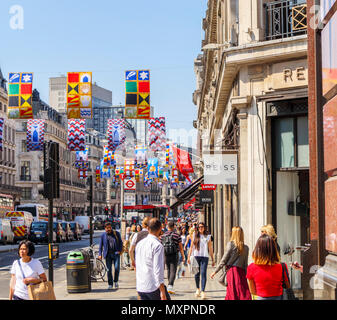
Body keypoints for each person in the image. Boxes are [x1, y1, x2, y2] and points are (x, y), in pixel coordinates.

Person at [210, 226, 251, 300]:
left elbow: (223, 260)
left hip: (232, 272)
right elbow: (245, 264)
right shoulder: (246, 248)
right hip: (241, 273)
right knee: (243, 293)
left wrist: (215, 271)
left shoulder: (230, 245)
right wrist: (246, 277)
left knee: (232, 294)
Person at [246, 234, 290, 300]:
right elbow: (287, 285)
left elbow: (253, 291)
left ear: (258, 250)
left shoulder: (251, 267)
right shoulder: (282, 266)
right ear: (274, 249)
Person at [136, 218, 170, 300]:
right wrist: (162, 291)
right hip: (153, 286)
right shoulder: (157, 245)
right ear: (160, 229)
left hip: (141, 286)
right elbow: (158, 270)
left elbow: (138, 265)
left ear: (148, 228)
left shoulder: (140, 244)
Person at [187, 222, 215, 300]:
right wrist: (188, 257)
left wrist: (213, 259)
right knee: (196, 274)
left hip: (205, 257)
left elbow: (210, 248)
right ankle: (197, 289)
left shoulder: (208, 236)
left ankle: (203, 291)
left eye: (202, 227)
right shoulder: (194, 235)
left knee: (203, 273)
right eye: (199, 227)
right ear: (197, 228)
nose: (200, 228)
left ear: (205, 227)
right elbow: (191, 247)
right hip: (196, 256)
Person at [161, 221, 185, 294]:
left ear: (167, 227)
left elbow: (161, 246)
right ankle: (170, 286)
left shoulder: (163, 235)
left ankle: (169, 285)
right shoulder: (176, 235)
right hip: (174, 254)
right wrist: (183, 256)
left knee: (168, 270)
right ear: (174, 226)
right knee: (173, 270)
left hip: (166, 254)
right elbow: (181, 247)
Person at [98, 222, 123, 290]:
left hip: (116, 253)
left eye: (109, 227)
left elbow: (120, 242)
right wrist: (100, 254)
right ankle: (110, 284)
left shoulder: (116, 233)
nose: (109, 229)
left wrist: (120, 250)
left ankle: (116, 281)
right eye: (107, 228)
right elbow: (101, 246)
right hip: (108, 254)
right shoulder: (103, 235)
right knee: (109, 270)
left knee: (117, 268)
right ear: (105, 228)